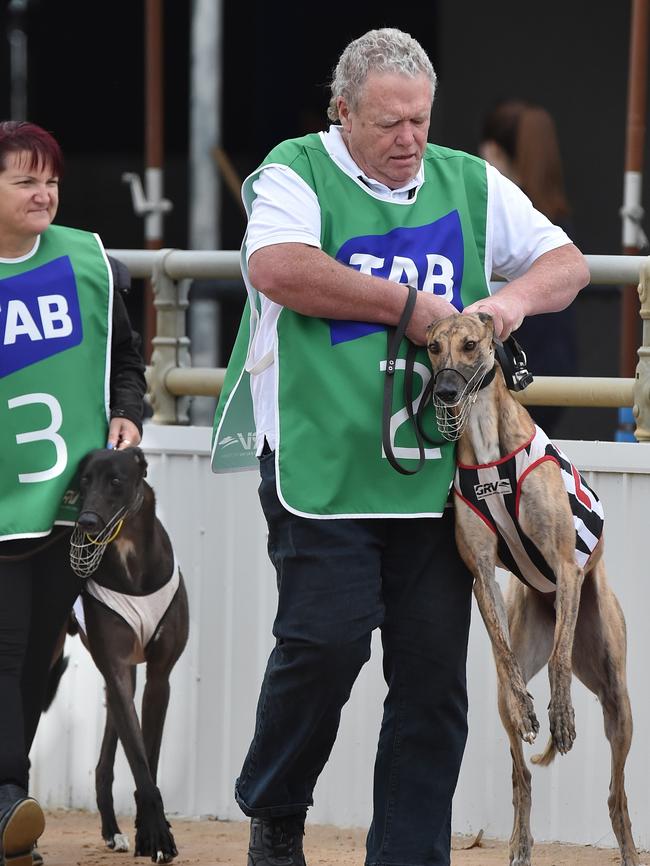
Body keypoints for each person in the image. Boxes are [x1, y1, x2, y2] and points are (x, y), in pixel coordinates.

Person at [211, 28, 590, 866]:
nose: (411, 138)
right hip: (322, 462)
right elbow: (277, 267)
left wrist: (505, 307)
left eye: (420, 118)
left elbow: (567, 264)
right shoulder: (293, 171)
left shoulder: (466, 179)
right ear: (343, 113)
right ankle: (275, 807)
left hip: (433, 477)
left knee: (432, 686)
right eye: (389, 123)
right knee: (326, 642)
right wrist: (405, 305)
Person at [0, 120, 146, 866]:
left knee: (39, 663)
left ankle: (3, 806)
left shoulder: (89, 261)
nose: (43, 192)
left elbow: (127, 361)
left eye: (50, 179)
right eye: (25, 180)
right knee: (8, 646)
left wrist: (129, 410)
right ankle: (6, 794)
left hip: (67, 508)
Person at [479, 98, 579, 435]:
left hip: (511, 366)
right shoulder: (555, 222)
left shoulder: (505, 218)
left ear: (492, 150)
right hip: (559, 364)